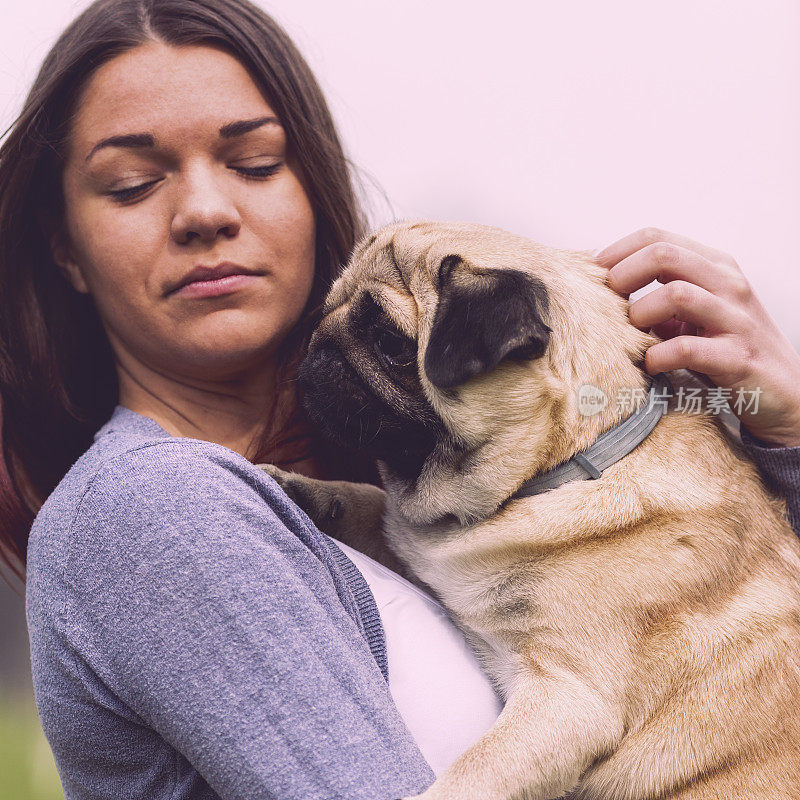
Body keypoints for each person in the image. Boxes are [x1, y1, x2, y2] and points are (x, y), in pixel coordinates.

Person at [0, 0, 798, 798]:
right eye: (132, 184)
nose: (206, 213)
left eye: (253, 164)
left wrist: (786, 440)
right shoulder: (155, 509)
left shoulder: (442, 502)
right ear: (63, 245)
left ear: (312, 193)